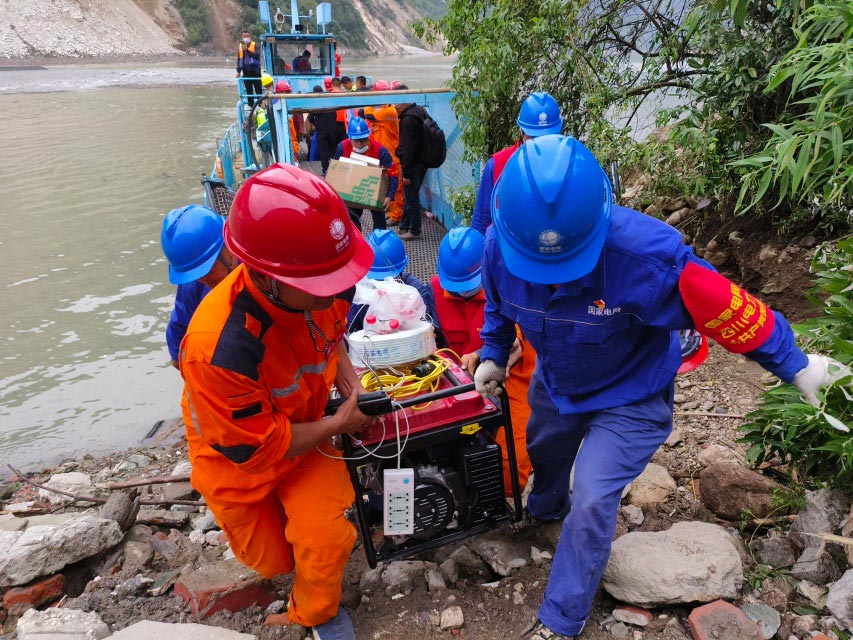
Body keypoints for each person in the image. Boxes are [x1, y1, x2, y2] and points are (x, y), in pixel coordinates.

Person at [474, 135, 848, 640]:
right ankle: (545, 510)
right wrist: (494, 353)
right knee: (544, 447)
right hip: (559, 382)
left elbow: (724, 305)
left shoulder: (648, 258)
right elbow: (498, 306)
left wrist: (797, 365)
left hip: (631, 394)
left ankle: (562, 619)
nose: (549, 280)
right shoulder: (499, 246)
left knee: (593, 496)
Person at [179, 164, 375, 640]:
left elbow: (331, 339)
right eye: (322, 284)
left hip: (306, 434)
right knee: (271, 560)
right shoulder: (220, 349)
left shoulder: (326, 282)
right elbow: (258, 448)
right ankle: (288, 554)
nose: (337, 290)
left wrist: (350, 385)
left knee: (325, 540)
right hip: (238, 456)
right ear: (268, 278)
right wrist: (338, 425)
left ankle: (310, 613)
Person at [431, 226, 533, 496]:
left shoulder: (508, 284)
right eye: (455, 289)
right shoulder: (434, 290)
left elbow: (514, 340)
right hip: (459, 384)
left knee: (509, 475)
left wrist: (483, 354)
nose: (462, 294)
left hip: (511, 378)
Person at [471, 92, 562, 234]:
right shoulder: (497, 165)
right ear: (521, 132)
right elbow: (481, 223)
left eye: (546, 139)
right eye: (533, 138)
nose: (539, 145)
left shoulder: (570, 167)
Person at [160, 205, 238, 369]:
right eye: (195, 274)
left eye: (206, 269)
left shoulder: (261, 273)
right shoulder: (192, 283)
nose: (202, 280)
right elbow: (177, 346)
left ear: (228, 247)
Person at [348, 230, 443, 342]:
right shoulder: (361, 293)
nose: (383, 285)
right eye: (378, 280)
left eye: (387, 279)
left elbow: (428, 326)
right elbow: (350, 329)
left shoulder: (414, 292)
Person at [333, 117, 398, 232]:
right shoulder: (342, 148)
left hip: (375, 191)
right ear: (349, 138)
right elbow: (335, 172)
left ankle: (379, 239)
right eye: (356, 140)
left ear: (368, 136)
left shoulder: (380, 151)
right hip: (352, 190)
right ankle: (356, 239)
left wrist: (389, 196)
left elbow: (393, 174)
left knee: (379, 222)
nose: (359, 143)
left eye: (363, 139)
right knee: (351, 220)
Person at [363, 80, 404, 226]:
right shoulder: (385, 110)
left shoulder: (388, 111)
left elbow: (368, 115)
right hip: (384, 156)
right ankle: (391, 212)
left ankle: (396, 216)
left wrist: (368, 102)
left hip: (392, 156)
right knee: (386, 186)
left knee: (397, 188)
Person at [395, 88, 428, 240]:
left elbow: (408, 149)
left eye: (398, 102)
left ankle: (414, 230)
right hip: (422, 162)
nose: (396, 106)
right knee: (410, 196)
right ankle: (404, 225)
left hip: (413, 165)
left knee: (412, 198)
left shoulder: (408, 120)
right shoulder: (420, 111)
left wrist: (406, 173)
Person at [308, 87, 339, 175]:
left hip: (321, 131)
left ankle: (325, 169)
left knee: (323, 151)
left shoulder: (315, 103)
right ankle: (334, 169)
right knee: (333, 150)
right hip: (332, 130)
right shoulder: (329, 101)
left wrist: (317, 124)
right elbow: (335, 115)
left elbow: (310, 118)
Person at [236, 29, 263, 106]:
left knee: (258, 91)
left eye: (247, 36)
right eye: (244, 36)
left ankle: (261, 106)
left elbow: (257, 56)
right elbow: (239, 59)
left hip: (255, 72)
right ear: (242, 37)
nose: (246, 38)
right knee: (249, 92)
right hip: (246, 72)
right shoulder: (240, 47)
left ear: (250, 37)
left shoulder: (255, 45)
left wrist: (247, 50)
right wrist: (238, 71)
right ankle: (251, 107)